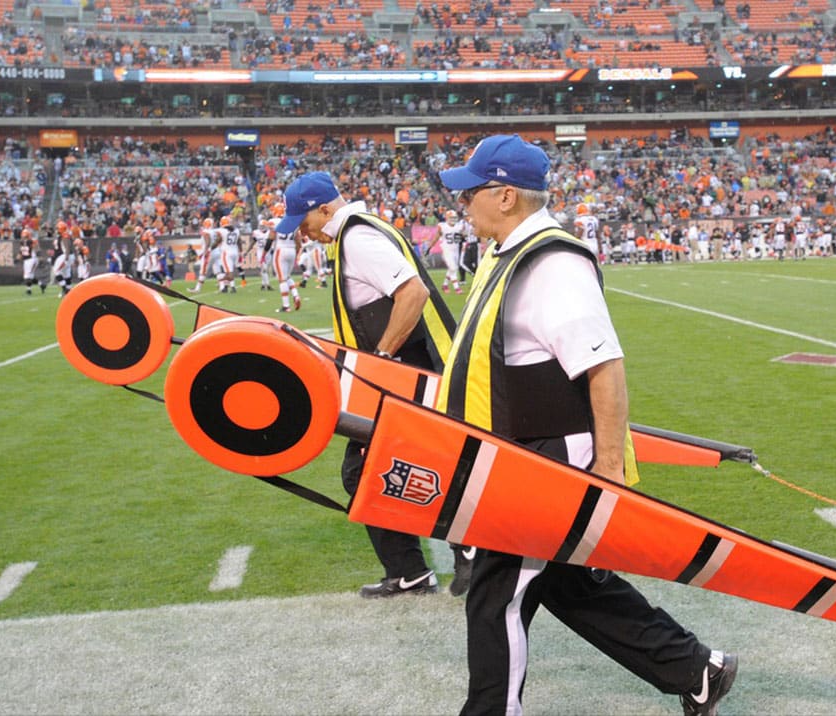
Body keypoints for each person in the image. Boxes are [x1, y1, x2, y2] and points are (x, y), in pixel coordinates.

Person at [437, 134, 737, 716]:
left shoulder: (552, 262)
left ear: (504, 196)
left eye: (470, 192)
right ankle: (695, 668)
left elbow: (604, 368)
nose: (461, 203)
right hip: (519, 447)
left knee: (498, 593)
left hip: (546, 453)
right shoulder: (507, 251)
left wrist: (606, 468)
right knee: (567, 583)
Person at [275, 171, 474, 598]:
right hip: (413, 372)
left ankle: (456, 553)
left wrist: (381, 359)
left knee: (368, 469)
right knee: (382, 467)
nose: (302, 234)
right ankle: (434, 562)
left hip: (402, 377)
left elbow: (412, 293)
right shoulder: (359, 232)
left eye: (303, 222)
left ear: (325, 209)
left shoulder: (356, 239)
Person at [426, 209, 469, 293]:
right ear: (446, 218)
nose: (453, 220)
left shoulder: (459, 226)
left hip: (456, 250)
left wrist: (465, 240)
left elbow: (465, 236)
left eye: (454, 218)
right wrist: (429, 247)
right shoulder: (442, 226)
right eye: (451, 218)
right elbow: (436, 238)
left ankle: (445, 285)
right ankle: (457, 288)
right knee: (453, 267)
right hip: (446, 249)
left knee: (452, 268)